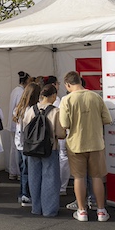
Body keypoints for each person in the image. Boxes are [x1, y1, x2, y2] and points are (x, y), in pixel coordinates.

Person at [59, 70, 112, 222]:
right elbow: (107, 119)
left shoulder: (66, 100)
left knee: (79, 177)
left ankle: (82, 211)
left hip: (76, 144)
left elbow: (64, 124)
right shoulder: (95, 96)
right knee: (97, 177)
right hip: (96, 143)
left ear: (68, 84)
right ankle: (101, 211)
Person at [23, 84, 66, 217]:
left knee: (34, 177)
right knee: (50, 179)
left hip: (32, 148)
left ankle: (36, 207)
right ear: (53, 96)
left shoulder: (31, 110)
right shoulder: (56, 112)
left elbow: (25, 128)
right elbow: (61, 133)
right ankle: (49, 210)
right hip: (49, 149)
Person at [13, 82, 41, 207]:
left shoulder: (19, 108)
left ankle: (23, 193)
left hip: (19, 143)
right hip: (28, 145)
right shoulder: (33, 110)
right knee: (29, 170)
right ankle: (26, 194)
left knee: (24, 170)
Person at [7, 71, 31, 180]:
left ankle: (13, 171)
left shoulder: (14, 90)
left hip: (13, 123)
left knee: (14, 148)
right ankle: (18, 172)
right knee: (18, 149)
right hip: (18, 124)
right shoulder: (22, 92)